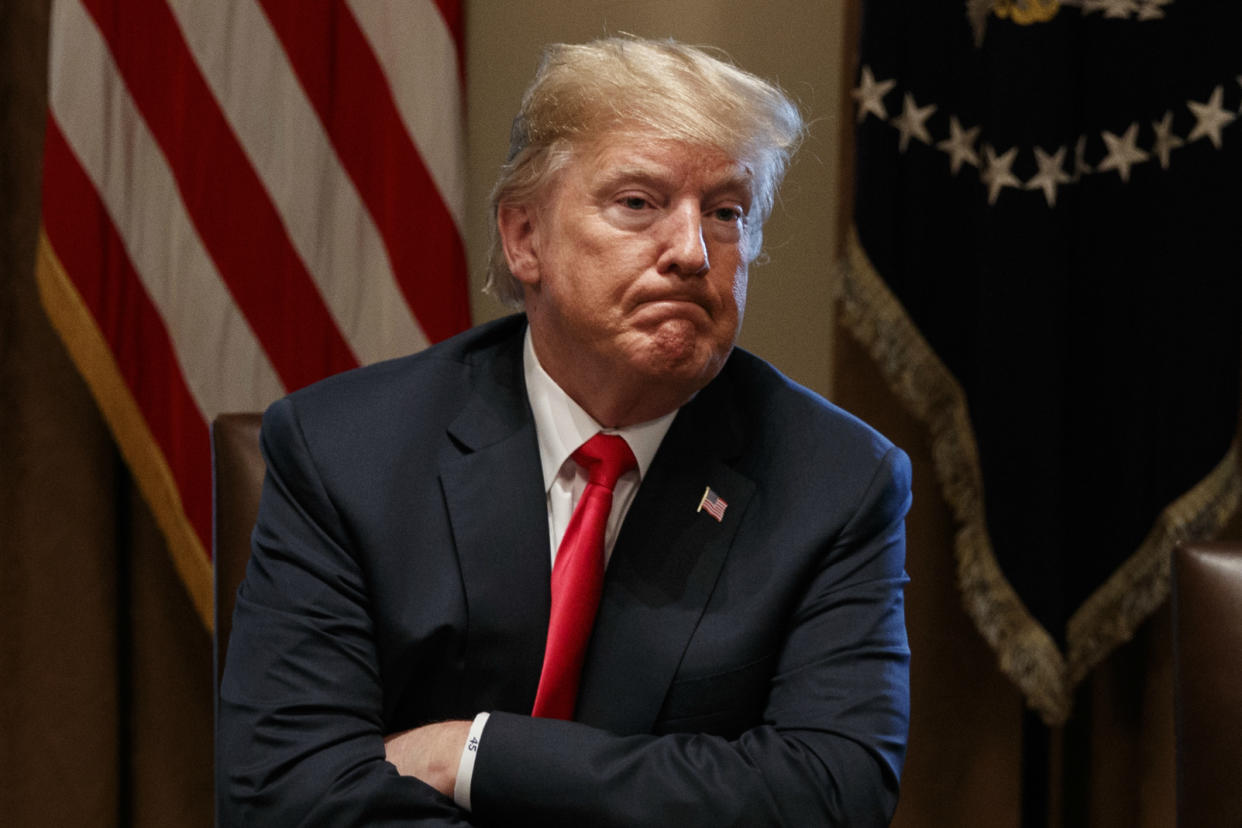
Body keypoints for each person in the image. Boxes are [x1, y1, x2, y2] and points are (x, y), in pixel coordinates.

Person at [218, 36, 911, 826]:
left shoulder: (838, 482)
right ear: (525, 239)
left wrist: (471, 753)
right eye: (639, 204)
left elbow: (829, 795)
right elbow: (283, 794)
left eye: (726, 213)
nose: (692, 251)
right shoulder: (345, 451)